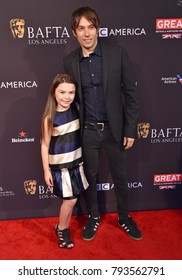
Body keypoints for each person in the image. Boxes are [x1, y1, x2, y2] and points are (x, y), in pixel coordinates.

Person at [63, 6, 142, 242]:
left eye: (91, 27)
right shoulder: (69, 61)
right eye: (81, 28)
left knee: (120, 176)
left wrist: (129, 129)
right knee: (90, 176)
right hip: (87, 130)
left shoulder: (116, 53)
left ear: (97, 28)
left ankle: (124, 217)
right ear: (74, 33)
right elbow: (69, 98)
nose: (87, 33)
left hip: (114, 130)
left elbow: (131, 94)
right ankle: (94, 216)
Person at [40, 73, 88, 249]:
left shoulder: (76, 108)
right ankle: (62, 229)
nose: (66, 97)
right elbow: (44, 145)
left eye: (71, 92)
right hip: (61, 167)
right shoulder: (49, 118)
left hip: (76, 163)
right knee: (70, 201)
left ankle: (63, 227)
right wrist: (46, 170)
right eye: (62, 92)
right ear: (54, 93)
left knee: (72, 200)